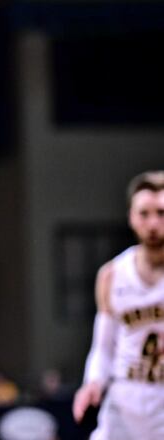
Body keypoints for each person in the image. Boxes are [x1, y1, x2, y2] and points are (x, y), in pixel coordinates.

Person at [72, 170, 164, 439]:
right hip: (125, 396)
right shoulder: (111, 275)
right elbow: (103, 346)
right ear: (130, 217)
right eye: (144, 213)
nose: (153, 223)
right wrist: (93, 382)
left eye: (161, 212)